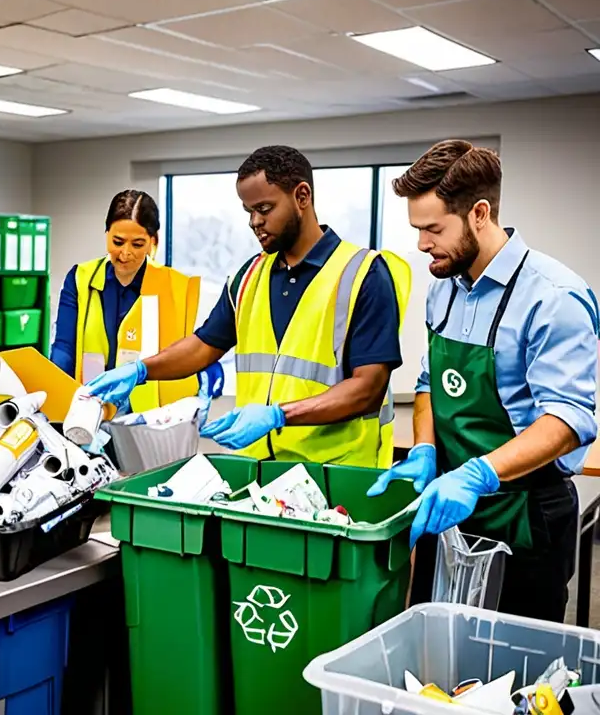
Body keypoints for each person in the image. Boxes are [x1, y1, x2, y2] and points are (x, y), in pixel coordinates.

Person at [369, 140, 599, 621]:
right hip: (450, 506)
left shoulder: (553, 298)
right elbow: (431, 382)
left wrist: (480, 474)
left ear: (479, 213)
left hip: (524, 516)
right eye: (417, 229)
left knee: (517, 672)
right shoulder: (442, 290)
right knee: (436, 656)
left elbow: (569, 420)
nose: (421, 245)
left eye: (433, 229)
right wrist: (425, 450)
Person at [87, 146, 411, 466]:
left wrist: (278, 416)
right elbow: (203, 346)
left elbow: (367, 388)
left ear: (302, 196)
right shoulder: (249, 277)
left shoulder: (364, 275)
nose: (255, 221)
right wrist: (141, 370)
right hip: (259, 476)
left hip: (338, 478)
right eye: (248, 211)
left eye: (265, 208)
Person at [51, 189, 224, 413]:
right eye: (118, 241)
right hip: (92, 408)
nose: (125, 253)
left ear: (154, 241)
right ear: (106, 234)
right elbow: (65, 347)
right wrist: (57, 396)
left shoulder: (176, 287)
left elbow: (200, 348)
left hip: (150, 418)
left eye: (137, 244)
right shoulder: (80, 279)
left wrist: (209, 376)